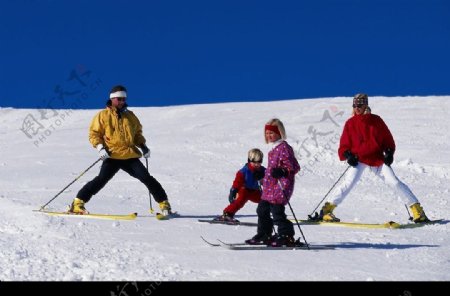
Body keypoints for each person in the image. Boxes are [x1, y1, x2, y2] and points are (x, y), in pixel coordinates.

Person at [317, 93, 429, 223]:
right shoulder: (350, 123)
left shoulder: (376, 120)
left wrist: (389, 152)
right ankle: (326, 211)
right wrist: (348, 155)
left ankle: (417, 211)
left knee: (394, 182)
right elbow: (344, 144)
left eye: (360, 104)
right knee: (348, 183)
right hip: (359, 159)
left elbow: (387, 139)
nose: (357, 107)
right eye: (355, 105)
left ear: (366, 105)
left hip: (377, 159)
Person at [69, 85, 173, 216]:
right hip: (112, 155)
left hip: (129, 155)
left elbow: (137, 134)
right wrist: (100, 147)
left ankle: (164, 204)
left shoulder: (130, 116)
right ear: (112, 99)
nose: (122, 101)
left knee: (146, 178)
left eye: (124, 99)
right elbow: (94, 134)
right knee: (101, 179)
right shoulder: (103, 115)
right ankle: (77, 203)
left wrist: (143, 146)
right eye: (119, 99)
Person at [246, 118, 301, 247]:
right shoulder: (273, 149)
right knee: (262, 209)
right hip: (270, 186)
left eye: (272, 133)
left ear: (279, 133)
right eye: (267, 133)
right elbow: (271, 170)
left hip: (282, 185)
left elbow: (294, 166)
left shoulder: (284, 148)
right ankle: (264, 233)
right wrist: (262, 175)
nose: (269, 136)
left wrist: (283, 171)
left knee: (277, 211)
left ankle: (286, 235)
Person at [213, 148, 266, 222]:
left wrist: (264, 178)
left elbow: (269, 181)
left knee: (267, 199)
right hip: (244, 190)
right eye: (254, 162)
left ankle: (276, 215)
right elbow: (237, 182)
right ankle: (227, 214)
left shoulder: (263, 171)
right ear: (249, 160)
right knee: (239, 201)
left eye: (259, 162)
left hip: (255, 191)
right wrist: (233, 191)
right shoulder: (244, 171)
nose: (257, 164)